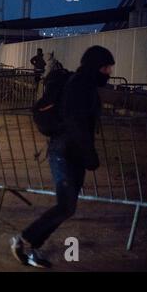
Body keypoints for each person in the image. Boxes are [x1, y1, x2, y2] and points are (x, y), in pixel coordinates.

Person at [10, 46, 116, 269]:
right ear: (95, 66)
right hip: (66, 152)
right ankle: (22, 240)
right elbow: (75, 123)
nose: (109, 72)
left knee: (67, 206)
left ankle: (31, 246)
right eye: (106, 67)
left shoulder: (85, 85)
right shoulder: (80, 85)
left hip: (72, 152)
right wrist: (90, 155)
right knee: (66, 206)